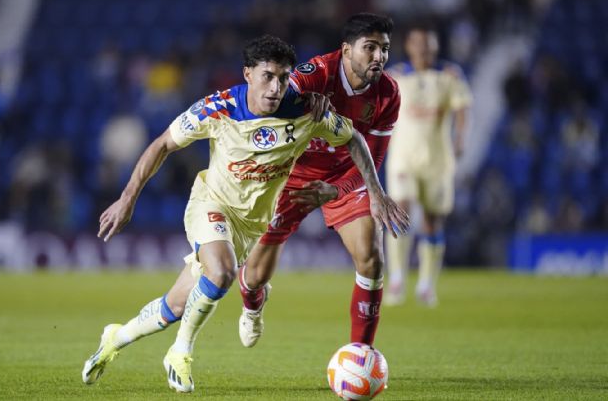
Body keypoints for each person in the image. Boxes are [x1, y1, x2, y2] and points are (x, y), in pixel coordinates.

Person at [81, 35, 409, 393]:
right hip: (212, 203)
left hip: (251, 225)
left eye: (284, 78)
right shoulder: (218, 108)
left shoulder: (306, 111)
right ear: (248, 74)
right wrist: (127, 199)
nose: (276, 87)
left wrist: (375, 193)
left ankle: (116, 336)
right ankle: (180, 352)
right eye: (267, 76)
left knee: (174, 305)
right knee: (222, 274)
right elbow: (162, 144)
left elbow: (355, 140)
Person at [237, 13, 402, 350]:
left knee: (372, 258)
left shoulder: (388, 92)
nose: (378, 57)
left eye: (384, 49)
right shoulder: (319, 73)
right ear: (345, 50)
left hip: (344, 176)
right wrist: (299, 100)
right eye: (369, 48)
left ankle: (361, 353)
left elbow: (373, 156)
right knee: (254, 277)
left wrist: (341, 190)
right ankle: (253, 305)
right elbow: (277, 95)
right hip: (292, 175)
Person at [384, 24, 472, 307]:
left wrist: (460, 139)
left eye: (428, 43)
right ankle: (396, 278)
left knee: (432, 221)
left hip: (437, 159)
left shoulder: (449, 76)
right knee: (401, 211)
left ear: (436, 46)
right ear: (409, 46)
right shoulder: (396, 76)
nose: (423, 48)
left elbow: (461, 108)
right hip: (403, 158)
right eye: (418, 43)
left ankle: (426, 283)